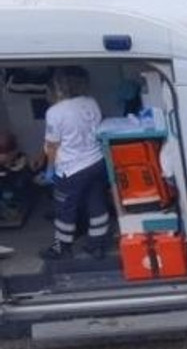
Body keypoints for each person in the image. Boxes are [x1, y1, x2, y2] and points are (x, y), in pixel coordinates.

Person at [38, 66, 110, 260]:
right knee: (97, 204)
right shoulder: (91, 102)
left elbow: (52, 145)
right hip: (96, 162)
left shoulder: (55, 111)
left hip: (71, 170)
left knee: (65, 210)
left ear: (60, 85)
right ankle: (97, 245)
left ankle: (61, 248)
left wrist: (49, 171)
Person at [0, 128, 32, 227]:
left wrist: (9, 167)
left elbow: (20, 172)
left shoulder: (20, 159)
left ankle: (12, 209)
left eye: (2, 154)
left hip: (13, 188)